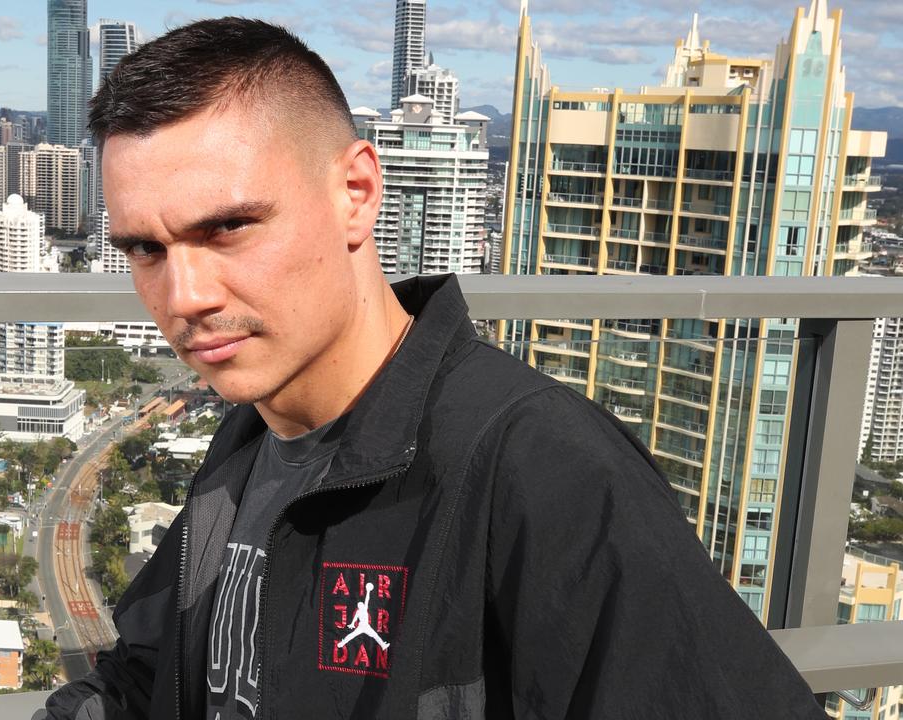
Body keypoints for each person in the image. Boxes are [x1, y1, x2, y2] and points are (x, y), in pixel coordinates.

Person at [44, 17, 825, 720]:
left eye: (229, 228)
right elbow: (145, 681)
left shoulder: (540, 467)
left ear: (356, 192)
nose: (184, 296)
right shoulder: (247, 446)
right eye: (145, 249)